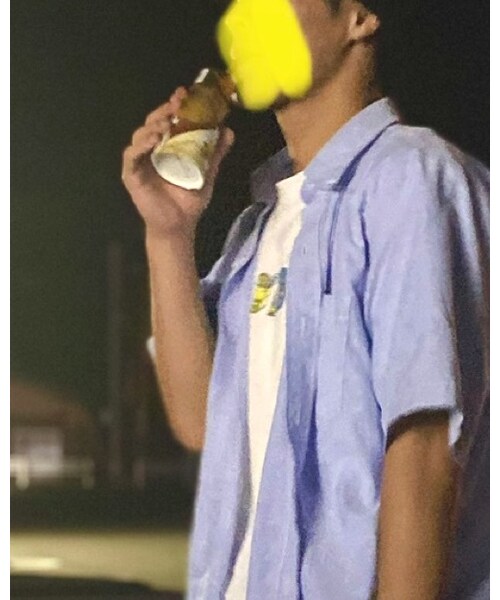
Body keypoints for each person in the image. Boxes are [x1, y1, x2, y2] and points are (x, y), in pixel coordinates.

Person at [122, 0, 489, 598]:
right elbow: (201, 422)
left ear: (359, 19)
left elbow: (425, 451)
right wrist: (169, 235)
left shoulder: (409, 178)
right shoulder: (259, 225)